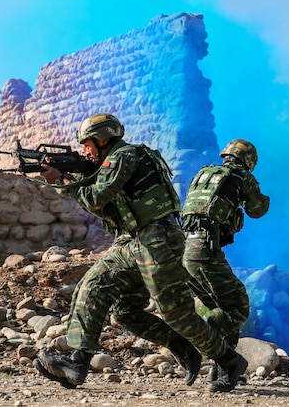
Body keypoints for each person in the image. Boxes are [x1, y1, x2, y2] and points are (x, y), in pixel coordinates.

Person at [34, 112, 247, 393]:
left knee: (177, 313)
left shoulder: (124, 156)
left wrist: (61, 181)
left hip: (158, 238)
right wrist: (70, 177)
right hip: (131, 241)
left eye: (87, 144)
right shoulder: (109, 163)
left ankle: (229, 360)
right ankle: (77, 361)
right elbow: (102, 198)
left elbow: (97, 199)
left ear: (102, 139)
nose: (84, 151)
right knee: (104, 295)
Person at [181, 139, 270, 382]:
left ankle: (222, 371)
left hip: (185, 249)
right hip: (204, 251)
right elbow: (257, 210)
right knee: (238, 305)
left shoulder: (204, 173)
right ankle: (191, 339)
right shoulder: (241, 176)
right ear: (248, 160)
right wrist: (263, 198)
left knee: (222, 309)